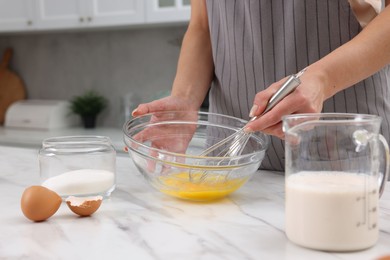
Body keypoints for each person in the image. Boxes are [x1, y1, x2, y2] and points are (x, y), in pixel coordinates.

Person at [132, 0, 390, 172]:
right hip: (231, 162)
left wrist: (321, 79)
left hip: (344, 149)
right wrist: (186, 98)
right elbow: (202, 25)